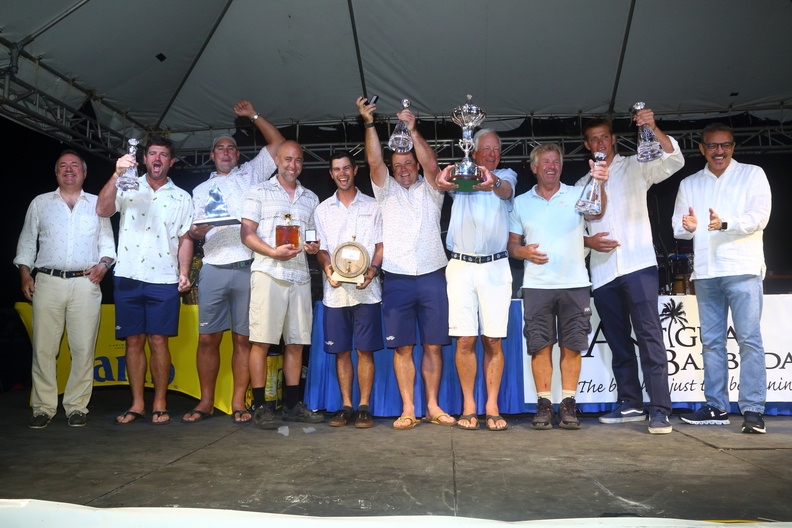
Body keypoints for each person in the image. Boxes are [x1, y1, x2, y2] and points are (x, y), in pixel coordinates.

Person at [576, 109, 684, 434]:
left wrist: (651, 126)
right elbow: (577, 233)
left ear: (613, 139)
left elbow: (673, 160)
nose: (599, 142)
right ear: (586, 144)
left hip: (638, 264)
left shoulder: (636, 165)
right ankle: (631, 402)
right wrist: (589, 242)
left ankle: (660, 408)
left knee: (649, 336)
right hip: (604, 272)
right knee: (619, 342)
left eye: (604, 136)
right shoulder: (582, 184)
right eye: (593, 138)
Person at [182, 101, 285, 424]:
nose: (226, 152)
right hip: (213, 267)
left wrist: (254, 115)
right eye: (220, 149)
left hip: (246, 268)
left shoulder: (250, 175)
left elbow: (279, 145)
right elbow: (192, 233)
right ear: (212, 156)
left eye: (231, 148)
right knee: (208, 339)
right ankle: (206, 401)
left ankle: (239, 402)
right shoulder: (199, 190)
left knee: (243, 340)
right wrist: (197, 232)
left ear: (237, 156)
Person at [356, 96, 454, 430]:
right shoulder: (385, 191)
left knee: (433, 347)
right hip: (396, 278)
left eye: (407, 163)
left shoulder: (432, 188)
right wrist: (369, 123)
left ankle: (433, 405)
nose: (402, 169)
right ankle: (408, 408)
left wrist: (412, 131)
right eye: (397, 166)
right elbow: (373, 162)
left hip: (432, 276)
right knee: (403, 349)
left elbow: (432, 165)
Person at [672, 123, 772, 434]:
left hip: (742, 268)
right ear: (702, 149)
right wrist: (688, 227)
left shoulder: (752, 174)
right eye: (713, 146)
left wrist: (724, 222)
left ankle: (753, 410)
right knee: (712, 343)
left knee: (749, 341)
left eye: (725, 145)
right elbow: (677, 226)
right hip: (706, 272)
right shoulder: (690, 183)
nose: (719, 151)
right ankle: (716, 405)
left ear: (733, 147)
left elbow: (760, 217)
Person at [508, 144, 608, 430]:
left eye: (556, 162)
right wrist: (523, 252)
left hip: (575, 283)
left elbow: (598, 210)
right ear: (534, 167)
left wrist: (599, 182)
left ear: (561, 168)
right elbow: (512, 245)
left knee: (572, 347)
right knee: (540, 347)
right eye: (545, 162)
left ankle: (567, 403)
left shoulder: (577, 195)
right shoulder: (521, 202)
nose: (551, 166)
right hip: (537, 285)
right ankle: (543, 404)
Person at [96, 136, 194, 425]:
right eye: (152, 153)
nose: (157, 159)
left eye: (163, 155)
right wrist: (116, 173)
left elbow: (186, 238)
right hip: (127, 274)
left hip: (163, 277)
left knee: (159, 341)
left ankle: (160, 402)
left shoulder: (182, 197)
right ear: (143, 158)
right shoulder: (128, 185)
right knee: (134, 341)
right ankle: (137, 403)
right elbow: (102, 210)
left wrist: (184, 271)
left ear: (171, 161)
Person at [15, 150, 116, 428]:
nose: (69, 169)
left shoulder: (98, 204)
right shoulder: (40, 203)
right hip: (47, 282)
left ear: (84, 173)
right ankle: (43, 407)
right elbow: (26, 242)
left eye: (74, 166)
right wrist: (25, 273)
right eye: (63, 166)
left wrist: (104, 266)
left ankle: (77, 406)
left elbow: (108, 245)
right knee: (44, 349)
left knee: (83, 348)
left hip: (86, 283)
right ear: (56, 173)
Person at [434, 129, 516, 431]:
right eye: (486, 148)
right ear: (473, 150)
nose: (492, 153)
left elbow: (505, 190)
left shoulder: (506, 175)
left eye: (496, 148)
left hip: (496, 267)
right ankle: (469, 405)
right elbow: (437, 178)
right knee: (465, 339)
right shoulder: (461, 175)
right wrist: (440, 182)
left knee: (493, 339)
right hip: (461, 266)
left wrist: (492, 181)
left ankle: (491, 405)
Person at [241, 140, 322, 429]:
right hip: (268, 271)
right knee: (261, 341)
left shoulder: (310, 198)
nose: (293, 165)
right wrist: (272, 251)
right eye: (288, 159)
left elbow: (312, 237)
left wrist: (313, 247)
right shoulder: (258, 191)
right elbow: (246, 233)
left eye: (298, 160)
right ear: (277, 160)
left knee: (297, 343)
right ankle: (260, 406)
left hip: (299, 276)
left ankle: (291, 405)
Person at [314, 150, 384, 428]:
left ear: (355, 170)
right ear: (331, 174)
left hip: (367, 290)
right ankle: (345, 405)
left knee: (365, 351)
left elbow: (380, 246)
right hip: (335, 292)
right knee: (342, 351)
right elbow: (321, 250)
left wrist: (372, 271)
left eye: (346, 168)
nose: (342, 173)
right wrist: (328, 269)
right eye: (336, 169)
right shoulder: (321, 210)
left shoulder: (373, 205)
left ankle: (364, 406)